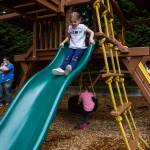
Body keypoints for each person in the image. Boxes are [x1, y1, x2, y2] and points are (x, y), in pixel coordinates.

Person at [52, 12, 95, 76]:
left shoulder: (82, 27)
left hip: (80, 48)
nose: (73, 23)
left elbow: (91, 32)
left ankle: (70, 68)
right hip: (71, 47)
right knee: (67, 58)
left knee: (74, 59)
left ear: (79, 20)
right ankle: (61, 69)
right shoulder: (70, 28)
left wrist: (91, 39)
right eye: (71, 22)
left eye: (75, 22)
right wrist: (63, 42)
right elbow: (68, 37)